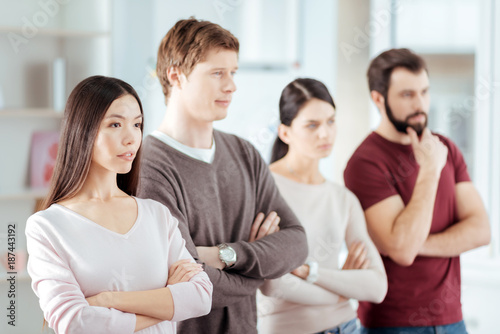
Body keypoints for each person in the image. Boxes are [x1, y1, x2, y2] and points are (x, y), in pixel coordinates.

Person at [137, 18, 308, 334]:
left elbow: (296, 241)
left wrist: (227, 256)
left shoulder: (244, 153)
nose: (231, 86)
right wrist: (261, 267)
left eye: (233, 73)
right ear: (176, 75)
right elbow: (191, 287)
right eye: (217, 73)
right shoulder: (149, 167)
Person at [25, 75, 212, 334]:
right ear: (83, 130)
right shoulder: (46, 227)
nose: (131, 138)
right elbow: (75, 322)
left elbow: (200, 297)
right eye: (115, 124)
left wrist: (107, 301)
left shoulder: (157, 215)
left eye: (137, 125)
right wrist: (167, 300)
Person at [344, 48, 491, 333]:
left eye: (425, 91)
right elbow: (401, 250)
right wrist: (430, 170)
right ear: (378, 99)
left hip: (452, 320)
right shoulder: (364, 162)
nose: (420, 104)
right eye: (407, 95)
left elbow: (481, 231)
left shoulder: (445, 148)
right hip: (392, 323)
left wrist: (416, 243)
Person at [257, 78, 387, 334]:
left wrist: (309, 272)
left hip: (347, 327)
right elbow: (274, 285)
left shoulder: (342, 198)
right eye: (312, 125)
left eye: (330, 121)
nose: (325, 133)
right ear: (285, 132)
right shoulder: (265, 189)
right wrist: (342, 290)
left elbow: (377, 286)